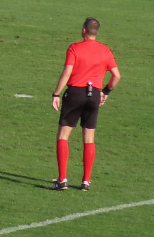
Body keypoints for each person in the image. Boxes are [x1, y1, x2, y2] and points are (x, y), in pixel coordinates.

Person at [51, 18, 121, 191]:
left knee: (63, 136)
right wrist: (105, 92)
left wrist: (56, 93)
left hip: (75, 93)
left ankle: (62, 180)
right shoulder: (105, 51)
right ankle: (86, 181)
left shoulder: (74, 48)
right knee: (89, 139)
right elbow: (116, 76)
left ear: (83, 30)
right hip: (94, 95)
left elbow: (67, 72)